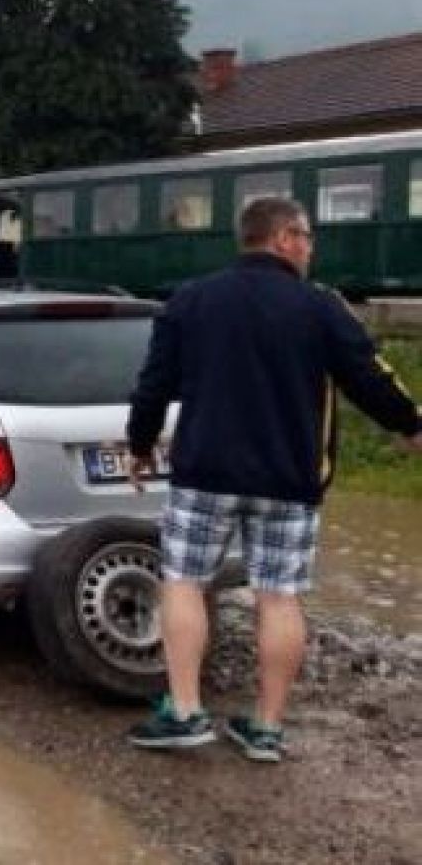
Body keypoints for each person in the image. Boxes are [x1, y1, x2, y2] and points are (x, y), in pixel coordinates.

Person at [125, 197, 421, 762]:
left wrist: (140, 444)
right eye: (307, 236)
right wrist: (411, 425)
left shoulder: (192, 299)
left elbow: (154, 383)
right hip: (290, 479)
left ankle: (184, 713)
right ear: (283, 237)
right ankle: (265, 728)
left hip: (204, 473)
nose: (311, 248)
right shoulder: (321, 306)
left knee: (184, 582)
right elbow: (368, 373)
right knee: (279, 598)